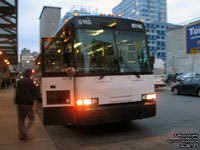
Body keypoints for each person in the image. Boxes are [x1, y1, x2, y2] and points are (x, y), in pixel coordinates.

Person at [15, 69, 36, 141]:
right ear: (30, 74)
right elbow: (33, 92)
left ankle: (22, 135)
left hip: (20, 102)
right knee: (32, 118)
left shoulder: (20, 81)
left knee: (21, 119)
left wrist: (17, 101)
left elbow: (17, 91)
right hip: (28, 102)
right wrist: (34, 99)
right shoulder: (31, 82)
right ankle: (25, 132)